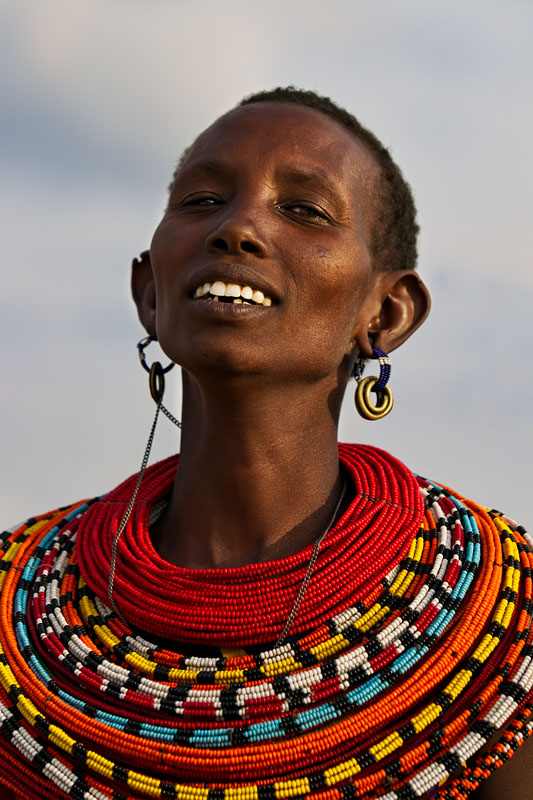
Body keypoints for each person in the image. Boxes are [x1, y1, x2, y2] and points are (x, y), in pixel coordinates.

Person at [0, 87, 531, 800]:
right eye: (201, 201)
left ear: (386, 312)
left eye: (304, 210)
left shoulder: (495, 616)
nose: (237, 227)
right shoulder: (15, 608)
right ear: (149, 292)